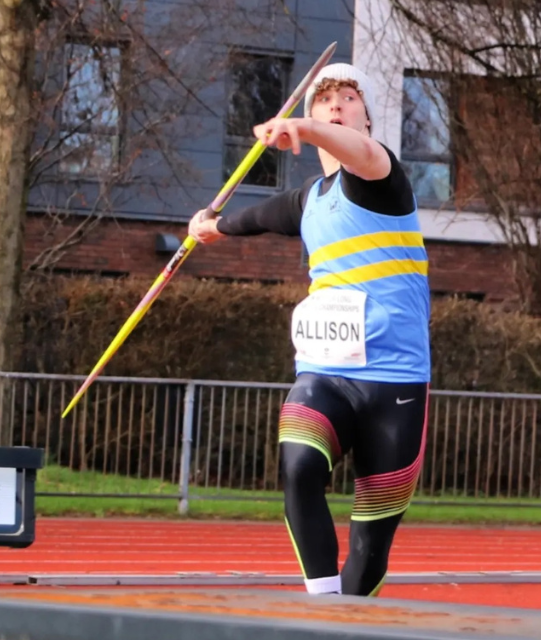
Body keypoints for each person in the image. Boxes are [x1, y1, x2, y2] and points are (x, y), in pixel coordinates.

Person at [187, 63, 430, 597]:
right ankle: (320, 613)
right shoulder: (308, 201)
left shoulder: (381, 175)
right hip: (326, 374)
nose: (337, 104)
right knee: (298, 466)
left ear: (365, 118)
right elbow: (258, 217)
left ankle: (349, 622)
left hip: (396, 384)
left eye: (348, 97)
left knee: (369, 550)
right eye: (325, 100)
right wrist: (211, 227)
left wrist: (306, 127)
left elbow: (355, 152)